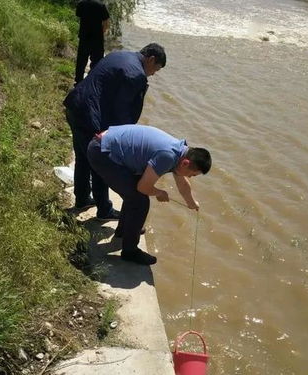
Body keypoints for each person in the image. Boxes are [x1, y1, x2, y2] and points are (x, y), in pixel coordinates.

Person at [63, 43, 166, 220]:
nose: (153, 74)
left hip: (75, 106)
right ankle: (104, 210)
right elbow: (123, 111)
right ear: (151, 59)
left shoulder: (120, 55)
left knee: (82, 157)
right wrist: (119, 140)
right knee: (100, 163)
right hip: (89, 117)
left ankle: (82, 199)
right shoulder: (136, 75)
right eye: (155, 70)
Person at [87, 125, 212, 265]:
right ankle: (130, 251)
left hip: (106, 145)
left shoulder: (181, 151)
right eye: (192, 174)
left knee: (134, 195)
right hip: (102, 152)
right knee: (140, 201)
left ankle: (124, 231)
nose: (191, 177)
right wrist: (159, 192)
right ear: (185, 163)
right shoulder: (168, 155)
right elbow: (143, 187)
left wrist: (191, 202)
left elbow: (182, 183)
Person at [74, 0, 110, 85]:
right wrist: (102, 32)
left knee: (81, 61)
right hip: (97, 39)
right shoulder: (101, 6)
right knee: (96, 62)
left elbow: (79, 16)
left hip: (84, 37)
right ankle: (92, 82)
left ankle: (78, 82)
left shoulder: (81, 4)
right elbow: (106, 23)